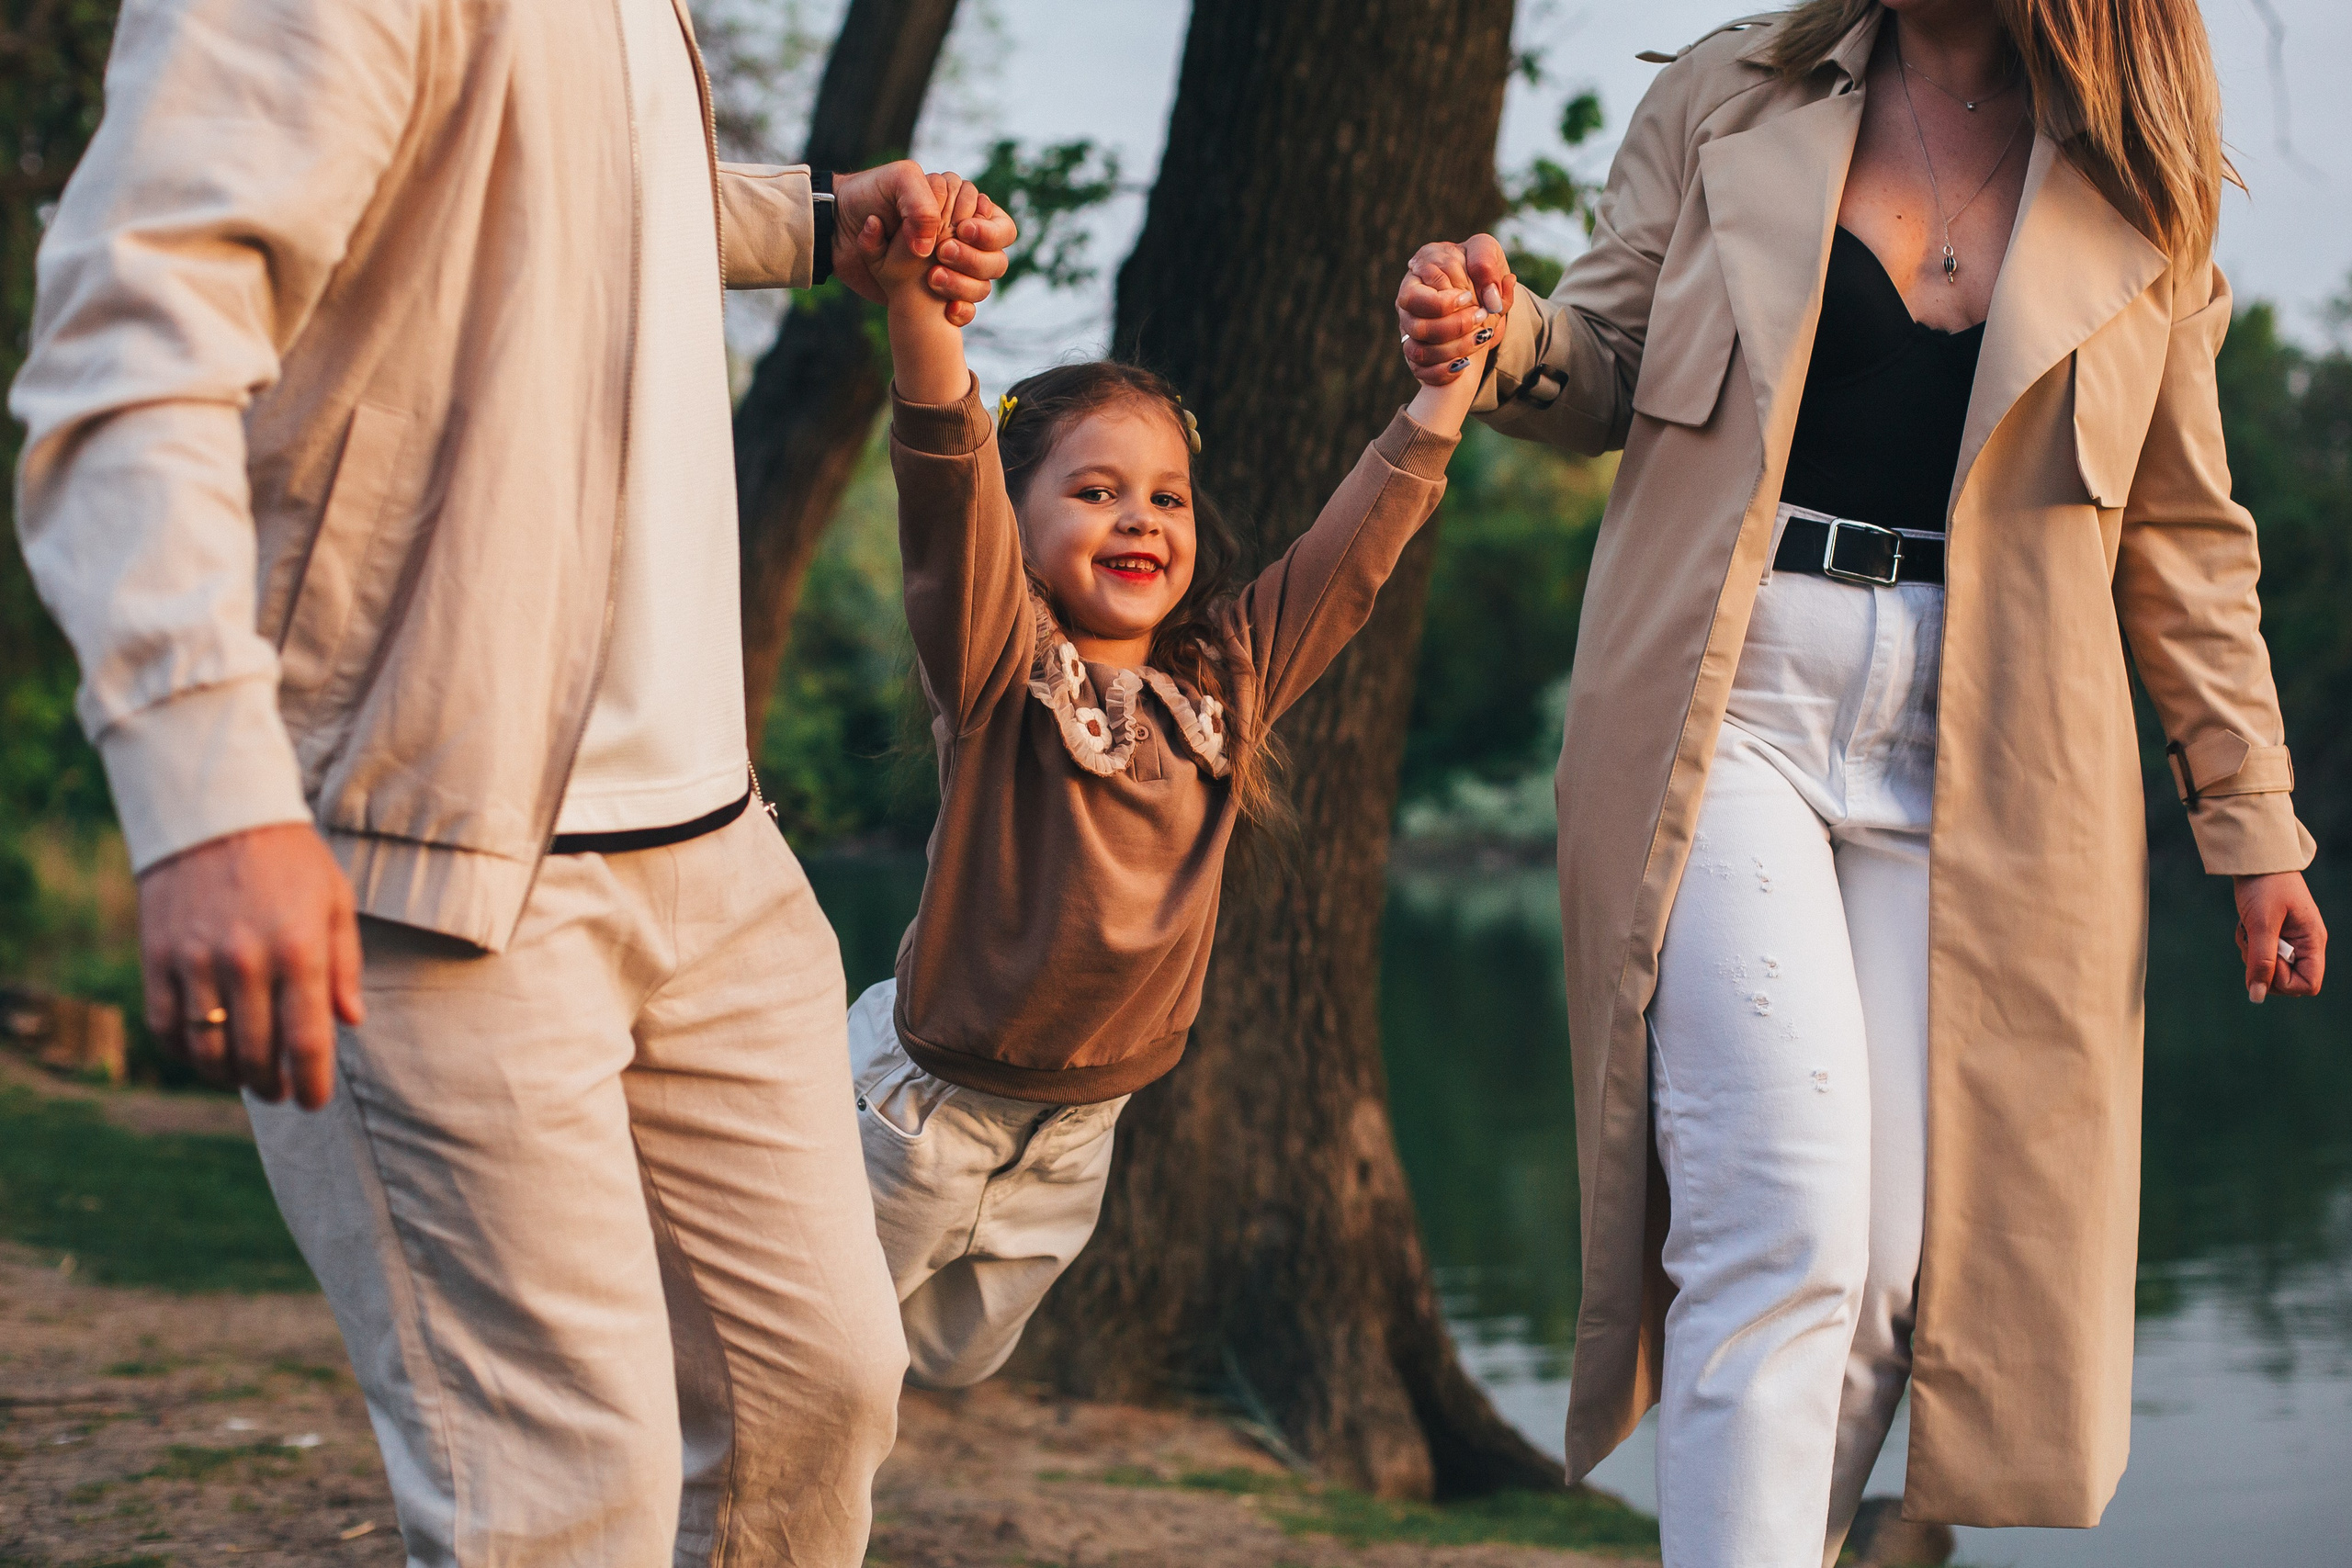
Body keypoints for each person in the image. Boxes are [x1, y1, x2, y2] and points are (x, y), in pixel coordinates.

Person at [9, 1, 1014, 1561]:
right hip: (435, 845)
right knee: (566, 1496)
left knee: (816, 1394)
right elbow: (124, 358)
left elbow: (563, 190)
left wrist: (817, 219)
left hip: (710, 849)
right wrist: (211, 794)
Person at [1396, 0, 2327, 1563]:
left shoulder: (2141, 177)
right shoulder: (1732, 93)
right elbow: (1601, 366)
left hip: (1999, 752)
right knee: (1786, 1227)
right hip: (1730, 695)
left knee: (1890, 1281)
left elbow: (2181, 538)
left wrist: (2253, 823)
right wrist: (1499, 337)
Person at [842, 176, 1496, 1388]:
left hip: (1081, 1136)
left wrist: (1443, 393)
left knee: (944, 1370)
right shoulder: (1001, 666)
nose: (1138, 517)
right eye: (1093, 493)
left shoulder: (1228, 681)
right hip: (926, 1114)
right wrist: (926, 315)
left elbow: (1353, 559)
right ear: (1020, 521)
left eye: (1166, 497)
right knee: (792, 1379)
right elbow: (944, 481)